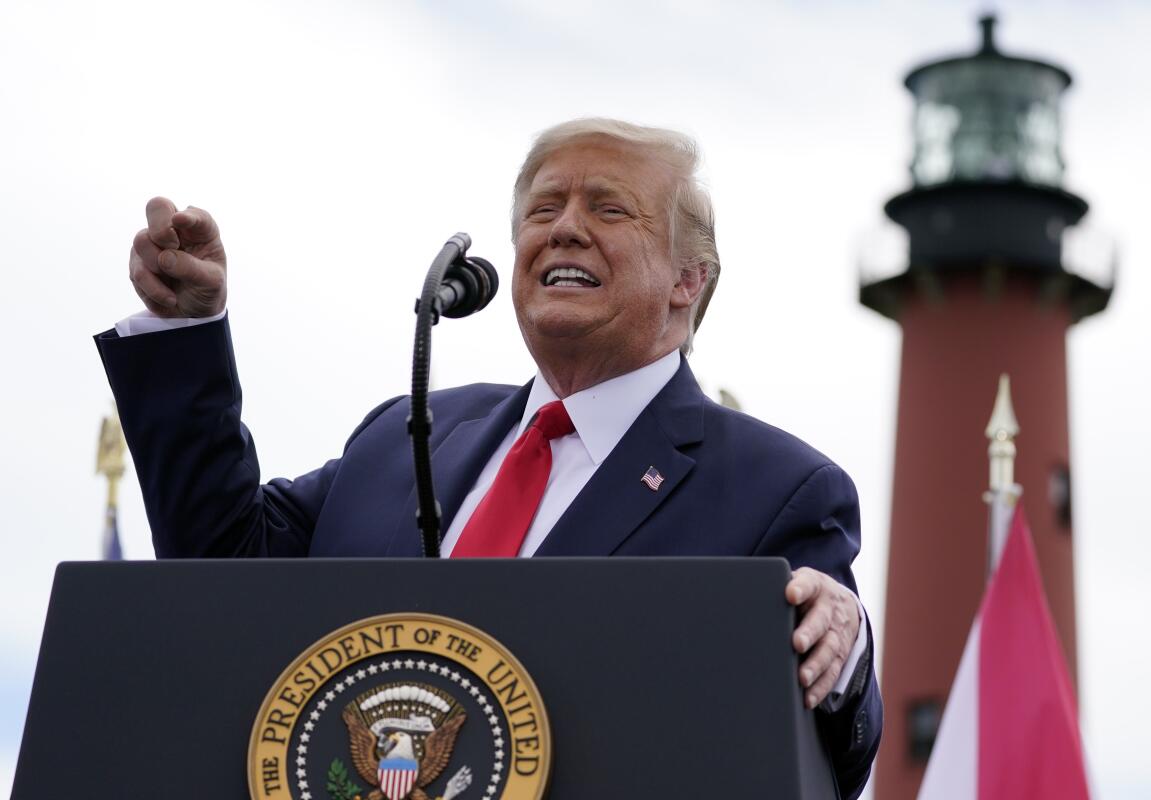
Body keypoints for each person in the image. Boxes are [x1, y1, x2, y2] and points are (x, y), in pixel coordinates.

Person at [96, 118, 882, 797]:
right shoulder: (405, 435)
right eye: (544, 208)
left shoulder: (777, 488)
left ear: (688, 279)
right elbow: (220, 568)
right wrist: (186, 333)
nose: (564, 228)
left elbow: (826, 735)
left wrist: (846, 650)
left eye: (607, 208)